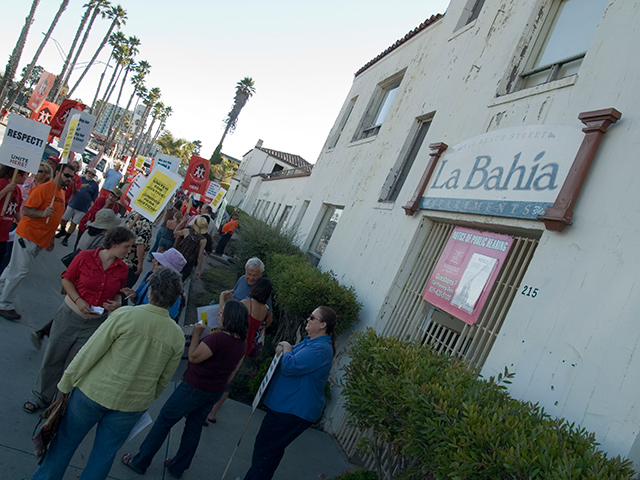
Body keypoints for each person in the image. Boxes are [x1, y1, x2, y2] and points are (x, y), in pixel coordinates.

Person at [29, 267, 185, 480]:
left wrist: (66, 384)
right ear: (175, 298)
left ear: (150, 290)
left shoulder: (125, 315)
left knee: (64, 444)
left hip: (93, 392)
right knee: (103, 456)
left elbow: (90, 353)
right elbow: (163, 380)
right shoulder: (176, 336)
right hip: (132, 405)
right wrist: (145, 399)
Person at [122, 299, 248, 479]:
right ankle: (178, 466)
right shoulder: (242, 343)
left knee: (164, 420)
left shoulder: (218, 338)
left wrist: (196, 333)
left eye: (222, 312)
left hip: (194, 387)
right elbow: (234, 370)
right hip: (215, 390)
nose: (219, 314)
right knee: (193, 428)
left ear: (230, 316)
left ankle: (140, 461)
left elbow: (194, 357)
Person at [24, 226, 134, 413]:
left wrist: (117, 304)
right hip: (69, 317)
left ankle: (59, 404)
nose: (129, 251)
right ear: (114, 244)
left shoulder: (123, 269)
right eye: (127, 246)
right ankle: (40, 396)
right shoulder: (85, 257)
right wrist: (78, 300)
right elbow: (66, 279)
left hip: (94, 324)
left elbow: (117, 294)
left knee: (75, 365)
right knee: (53, 358)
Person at [238, 306, 337, 480]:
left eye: (312, 318)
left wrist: (286, 347)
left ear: (323, 325)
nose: (308, 319)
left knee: (267, 449)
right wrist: (284, 349)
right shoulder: (310, 341)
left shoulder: (320, 349)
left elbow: (290, 365)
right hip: (285, 406)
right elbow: (288, 356)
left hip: (292, 410)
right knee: (267, 448)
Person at [30, 210, 124, 350]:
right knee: (69, 313)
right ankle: (45, 334)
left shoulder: (88, 232)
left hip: (77, 278)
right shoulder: (100, 242)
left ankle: (43, 333)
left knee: (67, 311)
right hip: (83, 282)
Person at [0, 162, 75, 320]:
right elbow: (27, 210)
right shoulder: (42, 189)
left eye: (72, 177)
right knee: (20, 271)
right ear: (57, 173)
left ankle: (1, 289)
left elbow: (54, 220)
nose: (69, 179)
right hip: (28, 236)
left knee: (13, 269)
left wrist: (51, 239)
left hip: (40, 239)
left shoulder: (60, 193)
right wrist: (42, 214)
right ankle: (4, 304)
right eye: (66, 175)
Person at [206, 257, 273, 423]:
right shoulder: (263, 307)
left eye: (254, 277)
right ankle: (212, 412)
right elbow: (265, 322)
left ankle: (206, 407)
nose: (250, 279)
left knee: (217, 372)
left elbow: (225, 311)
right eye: (248, 274)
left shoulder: (246, 303)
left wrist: (222, 296)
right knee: (231, 375)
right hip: (246, 345)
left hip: (231, 337)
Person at [122, 248, 187, 320]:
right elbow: (137, 300)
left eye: (159, 263)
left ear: (169, 271)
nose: (155, 263)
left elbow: (167, 319)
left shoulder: (173, 292)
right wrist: (133, 296)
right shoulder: (150, 274)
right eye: (156, 260)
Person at [56, 167, 99, 246]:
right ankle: (62, 230)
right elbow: (71, 189)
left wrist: (91, 209)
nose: (90, 175)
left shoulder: (95, 185)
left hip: (83, 208)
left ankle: (66, 238)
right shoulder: (79, 179)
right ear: (86, 172)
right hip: (72, 203)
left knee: (74, 223)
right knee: (63, 218)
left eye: (92, 174)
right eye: (89, 173)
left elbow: (94, 198)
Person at [0, 166, 27, 262]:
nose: (26, 177)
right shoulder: (2, 183)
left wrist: (21, 224)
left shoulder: (18, 190)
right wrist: (5, 190)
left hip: (3, 234)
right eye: (25, 175)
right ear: (18, 175)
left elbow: (16, 211)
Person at [122, 210, 153, 288]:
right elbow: (140, 243)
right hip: (131, 263)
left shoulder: (134, 214)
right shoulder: (146, 222)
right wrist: (140, 263)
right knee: (124, 289)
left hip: (122, 256)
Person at [174, 216, 208, 280]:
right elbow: (200, 256)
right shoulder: (203, 240)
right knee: (180, 281)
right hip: (188, 262)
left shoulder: (187, 231)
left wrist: (182, 222)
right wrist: (199, 270)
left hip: (178, 257)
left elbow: (175, 232)